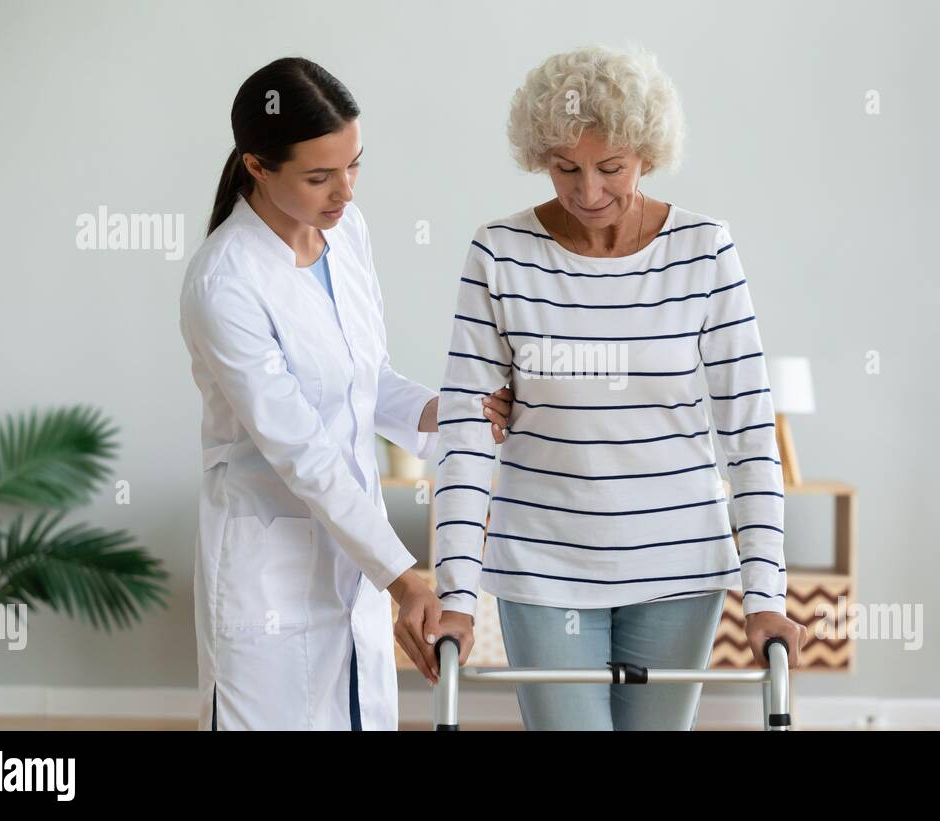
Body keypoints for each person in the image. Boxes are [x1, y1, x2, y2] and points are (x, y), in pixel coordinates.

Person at [431, 46, 807, 730]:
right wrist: (454, 590)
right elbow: (463, 437)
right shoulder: (499, 253)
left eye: (611, 168)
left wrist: (766, 595)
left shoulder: (705, 251)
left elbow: (750, 434)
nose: (587, 191)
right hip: (543, 562)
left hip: (679, 562)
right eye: (565, 168)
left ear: (647, 154)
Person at [179, 57, 512, 730]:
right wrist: (402, 575)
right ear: (258, 167)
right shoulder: (226, 283)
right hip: (269, 566)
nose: (346, 193)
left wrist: (445, 410)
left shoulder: (345, 235)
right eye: (320, 176)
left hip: (351, 563)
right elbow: (303, 451)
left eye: (355, 165)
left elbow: (366, 380)